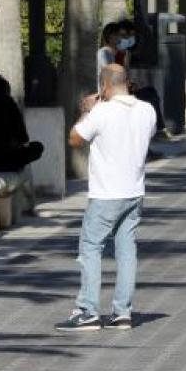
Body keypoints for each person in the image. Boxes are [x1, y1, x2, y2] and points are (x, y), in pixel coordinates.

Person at [55, 64, 158, 332]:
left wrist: (86, 111)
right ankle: (122, 312)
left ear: (104, 86)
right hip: (134, 192)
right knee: (127, 250)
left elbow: (74, 139)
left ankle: (87, 310)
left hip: (105, 194)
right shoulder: (147, 110)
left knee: (90, 248)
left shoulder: (101, 111)